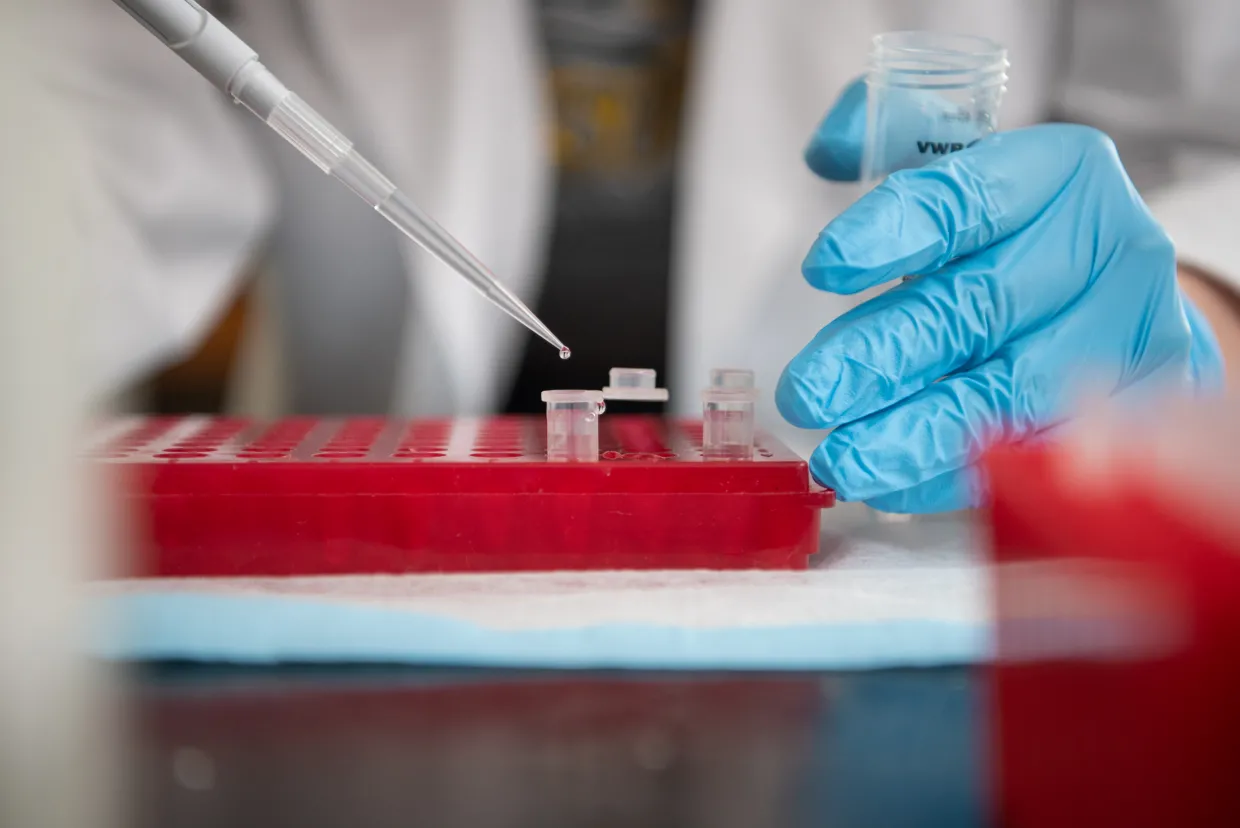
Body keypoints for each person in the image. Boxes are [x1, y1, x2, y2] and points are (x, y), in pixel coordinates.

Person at [25, 0, 1240, 513]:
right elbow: (81, 148)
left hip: (924, 572)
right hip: (395, 604)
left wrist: (1187, 304)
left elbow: (1211, 135)